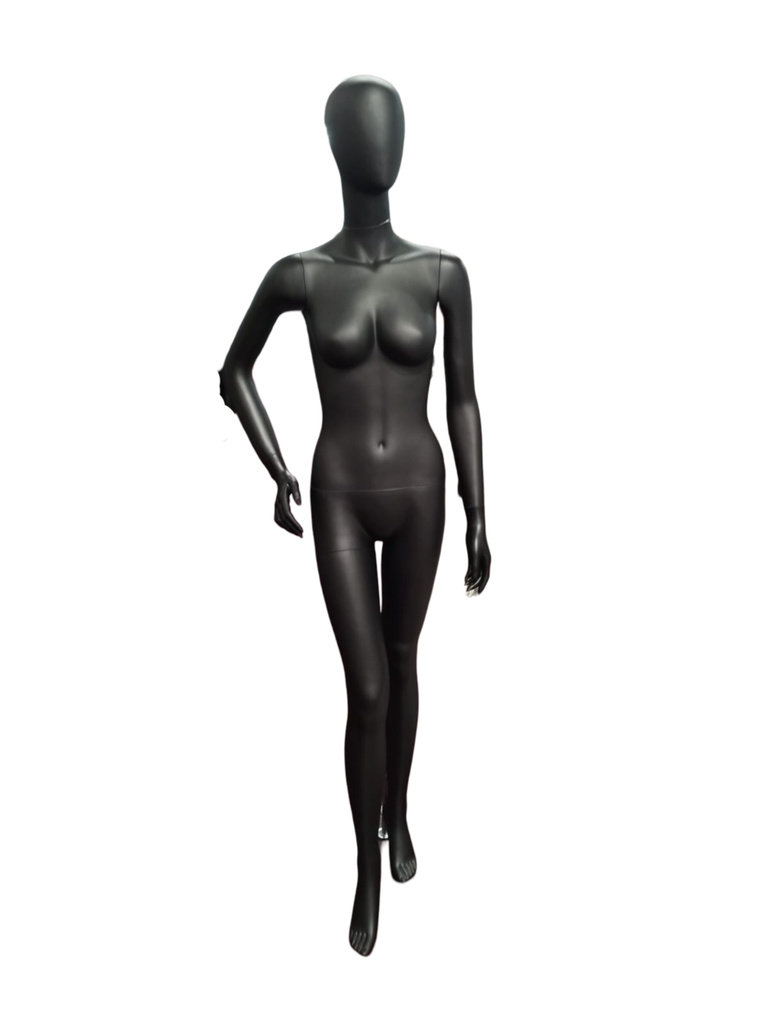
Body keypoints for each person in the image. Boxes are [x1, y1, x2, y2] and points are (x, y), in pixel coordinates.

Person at [218, 74, 491, 957]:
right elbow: (232, 372)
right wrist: (276, 469)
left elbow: (463, 399)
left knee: (405, 662)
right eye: (369, 130)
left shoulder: (442, 272)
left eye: (393, 128)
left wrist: (478, 506)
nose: (384, 144)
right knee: (366, 686)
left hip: (420, 492)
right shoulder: (300, 274)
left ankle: (398, 813)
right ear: (340, 147)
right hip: (337, 489)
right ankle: (366, 869)